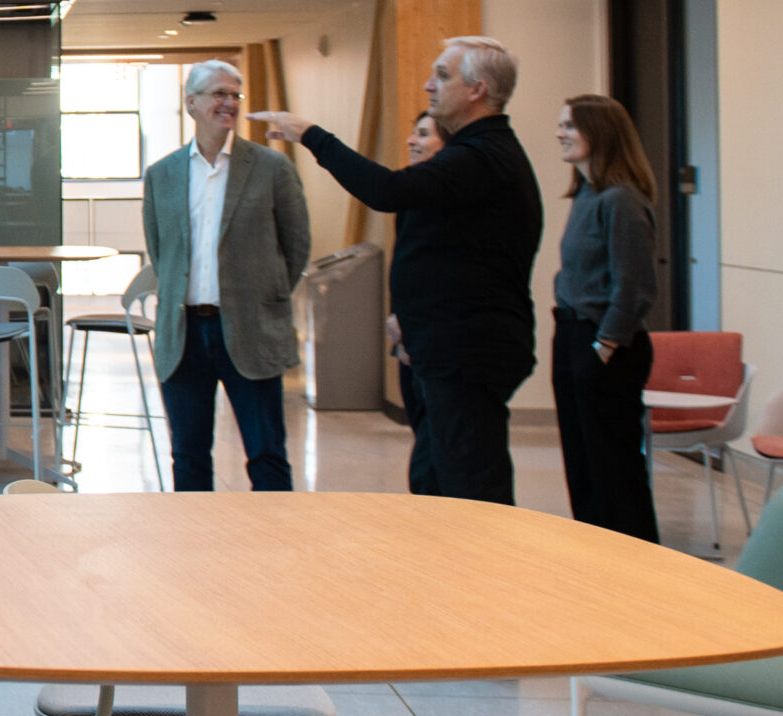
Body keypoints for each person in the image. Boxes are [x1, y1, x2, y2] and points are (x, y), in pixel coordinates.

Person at [254, 36, 543, 504]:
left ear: (478, 90)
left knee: (469, 487)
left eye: (443, 75)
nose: (429, 85)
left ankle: (479, 574)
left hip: (468, 350)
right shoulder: (474, 154)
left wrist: (310, 133)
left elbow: (386, 190)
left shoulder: (481, 158)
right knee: (437, 475)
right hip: (451, 345)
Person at [142, 60, 314, 491]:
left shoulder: (272, 169)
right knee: (189, 455)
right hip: (184, 336)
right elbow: (161, 251)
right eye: (218, 94)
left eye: (235, 95)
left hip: (251, 328)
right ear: (192, 104)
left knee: (267, 454)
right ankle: (195, 550)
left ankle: (275, 550)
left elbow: (296, 248)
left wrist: (262, 296)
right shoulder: (162, 174)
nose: (228, 103)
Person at [550, 95, 662, 541]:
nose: (559, 132)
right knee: (583, 465)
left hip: (607, 344)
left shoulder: (621, 200)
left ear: (600, 134)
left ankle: (635, 565)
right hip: (574, 334)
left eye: (570, 126)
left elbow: (634, 287)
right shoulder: (586, 195)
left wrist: (603, 347)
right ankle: (596, 560)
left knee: (614, 469)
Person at [388, 113, 443, 444]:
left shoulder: (448, 198)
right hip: (408, 335)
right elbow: (404, 265)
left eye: (423, 134)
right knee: (421, 429)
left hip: (434, 337)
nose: (411, 141)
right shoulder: (410, 194)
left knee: (436, 445)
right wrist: (398, 317)